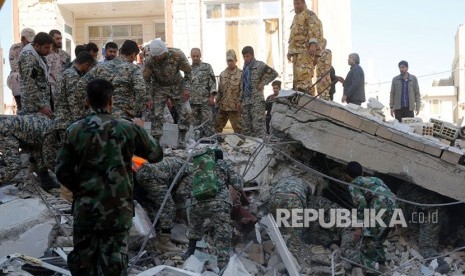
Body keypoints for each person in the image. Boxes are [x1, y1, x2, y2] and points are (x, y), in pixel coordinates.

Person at [55, 79, 163, 276]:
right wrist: (141, 129)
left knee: (83, 263)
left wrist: (81, 189)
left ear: (87, 101)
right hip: (117, 211)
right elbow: (156, 155)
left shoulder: (75, 130)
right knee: (113, 264)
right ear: (111, 101)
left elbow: (61, 171)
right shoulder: (127, 128)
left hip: (86, 209)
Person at [183, 148, 244, 269]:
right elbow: (238, 184)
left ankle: (189, 253)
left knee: (195, 227)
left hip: (198, 203)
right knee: (222, 233)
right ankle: (223, 265)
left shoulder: (198, 165)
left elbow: (185, 188)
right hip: (219, 203)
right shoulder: (223, 164)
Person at [72, 40, 151, 121]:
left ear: (120, 51)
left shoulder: (101, 67)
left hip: (101, 117)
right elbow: (141, 90)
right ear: (133, 54)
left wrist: (88, 107)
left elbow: (81, 85)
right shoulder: (133, 69)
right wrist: (135, 110)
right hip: (123, 117)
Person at [345, 161, 396, 272]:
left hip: (379, 207)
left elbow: (362, 203)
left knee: (368, 240)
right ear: (362, 171)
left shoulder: (353, 185)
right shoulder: (375, 180)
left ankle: (372, 269)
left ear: (347, 176)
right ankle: (382, 265)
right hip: (394, 208)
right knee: (378, 238)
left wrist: (358, 227)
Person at [133, 156, 191, 252]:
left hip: (140, 173)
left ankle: (149, 229)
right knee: (168, 206)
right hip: (150, 175)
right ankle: (164, 242)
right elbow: (181, 193)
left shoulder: (183, 165)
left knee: (148, 203)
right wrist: (180, 213)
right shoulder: (193, 173)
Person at [143, 39, 192, 148]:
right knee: (156, 114)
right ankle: (156, 143)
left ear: (164, 52)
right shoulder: (150, 60)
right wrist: (148, 97)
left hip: (177, 86)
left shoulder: (177, 55)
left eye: (159, 56)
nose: (157, 59)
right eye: (155, 57)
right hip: (159, 87)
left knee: (185, 112)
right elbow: (146, 80)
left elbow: (188, 73)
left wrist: (186, 88)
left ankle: (181, 141)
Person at [0, 114, 58, 191]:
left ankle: (46, 182)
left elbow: (39, 154)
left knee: (38, 153)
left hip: (13, 130)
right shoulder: (51, 133)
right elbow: (49, 161)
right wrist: (65, 175)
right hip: (6, 130)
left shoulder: (50, 126)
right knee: (13, 166)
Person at [238, 46, 278, 138]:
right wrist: (239, 101)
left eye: (247, 56)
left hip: (257, 102)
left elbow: (274, 73)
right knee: (246, 128)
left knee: (258, 127)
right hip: (246, 102)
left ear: (252, 55)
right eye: (244, 56)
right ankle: (249, 148)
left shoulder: (260, 65)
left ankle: (261, 148)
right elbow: (243, 86)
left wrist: (263, 83)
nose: (245, 58)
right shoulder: (245, 68)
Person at [54, 51, 95, 140]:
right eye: (89, 67)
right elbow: (73, 101)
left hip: (63, 120)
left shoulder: (65, 72)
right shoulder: (72, 76)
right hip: (68, 122)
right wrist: (80, 122)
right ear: (86, 64)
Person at [267, 176, 313, 255]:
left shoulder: (282, 179)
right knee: (296, 228)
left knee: (275, 223)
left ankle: (273, 242)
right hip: (294, 198)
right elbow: (308, 203)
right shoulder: (307, 186)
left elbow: (271, 191)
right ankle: (293, 252)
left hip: (276, 197)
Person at [287, 0, 323, 94]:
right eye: (294, 4)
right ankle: (299, 102)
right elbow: (293, 36)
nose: (296, 6)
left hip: (305, 54)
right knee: (297, 82)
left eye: (298, 3)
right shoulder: (296, 17)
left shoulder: (309, 15)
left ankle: (308, 102)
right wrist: (289, 51)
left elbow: (314, 29)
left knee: (304, 81)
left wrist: (313, 44)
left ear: (304, 4)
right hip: (296, 55)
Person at [18, 32, 54, 117]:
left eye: (50, 47)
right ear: (37, 45)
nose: (49, 50)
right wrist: (41, 106)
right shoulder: (28, 57)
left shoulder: (38, 54)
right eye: (46, 48)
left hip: (41, 102)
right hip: (33, 107)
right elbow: (29, 84)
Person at [190, 48, 217, 138]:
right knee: (194, 125)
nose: (195, 58)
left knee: (207, 123)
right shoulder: (188, 69)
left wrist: (212, 97)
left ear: (200, 56)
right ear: (191, 56)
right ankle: (196, 142)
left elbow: (212, 82)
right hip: (192, 102)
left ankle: (210, 141)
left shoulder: (207, 67)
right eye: (193, 56)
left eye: (197, 56)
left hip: (205, 101)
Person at [7, 27, 35, 111]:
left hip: (32, 76)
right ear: (22, 38)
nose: (31, 43)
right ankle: (19, 105)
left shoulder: (35, 48)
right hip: (18, 78)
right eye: (28, 40)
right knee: (16, 76)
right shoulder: (15, 48)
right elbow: (15, 67)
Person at [215, 49, 242, 134]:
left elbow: (242, 91)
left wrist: (241, 104)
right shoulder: (222, 74)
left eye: (231, 60)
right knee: (216, 128)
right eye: (228, 61)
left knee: (239, 130)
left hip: (235, 107)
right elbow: (219, 91)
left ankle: (240, 147)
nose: (229, 63)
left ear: (236, 60)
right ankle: (217, 144)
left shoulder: (241, 74)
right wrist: (217, 103)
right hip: (223, 107)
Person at [46, 30, 71, 97]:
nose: (60, 41)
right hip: (49, 90)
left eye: (60, 38)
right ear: (51, 39)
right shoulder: (45, 54)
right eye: (57, 39)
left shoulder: (65, 55)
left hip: (62, 89)